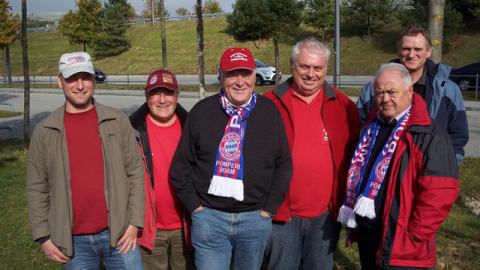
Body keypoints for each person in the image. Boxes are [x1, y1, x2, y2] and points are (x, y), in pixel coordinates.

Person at [170, 47, 292, 270]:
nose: (239, 82)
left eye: (245, 73)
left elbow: (283, 164)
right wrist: (196, 208)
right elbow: (180, 168)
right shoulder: (201, 112)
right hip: (210, 219)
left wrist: (268, 209)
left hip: (255, 219)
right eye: (232, 74)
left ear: (255, 76)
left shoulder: (269, 112)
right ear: (220, 75)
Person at [26, 52, 145, 269]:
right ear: (59, 82)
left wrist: (135, 222)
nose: (80, 85)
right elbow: (37, 188)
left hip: (119, 233)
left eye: (86, 77)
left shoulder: (116, 120)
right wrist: (43, 235)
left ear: (93, 80)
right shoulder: (45, 131)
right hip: (73, 242)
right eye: (72, 78)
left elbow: (136, 172)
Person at [338, 63, 460, 269]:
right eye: (379, 93)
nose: (385, 99)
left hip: (403, 242)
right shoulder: (371, 128)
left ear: (410, 91)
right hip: (369, 234)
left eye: (392, 92)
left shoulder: (428, 134)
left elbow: (439, 194)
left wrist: (415, 235)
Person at [262, 37, 361, 270]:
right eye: (304, 66)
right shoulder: (268, 104)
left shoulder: (343, 105)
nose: (311, 74)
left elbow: (357, 156)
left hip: (324, 215)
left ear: (326, 69)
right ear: (292, 66)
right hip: (281, 214)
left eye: (318, 68)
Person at [357, 26, 469, 164]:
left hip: (431, 170)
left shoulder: (448, 90)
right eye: (406, 49)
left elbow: (458, 135)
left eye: (418, 49)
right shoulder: (373, 89)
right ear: (398, 51)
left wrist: (448, 165)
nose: (411, 54)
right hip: (382, 172)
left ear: (428, 52)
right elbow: (360, 129)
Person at [130, 69, 193, 270]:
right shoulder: (131, 130)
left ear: (177, 95)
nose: (163, 100)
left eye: (168, 93)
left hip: (187, 227)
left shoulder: (192, 128)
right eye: (156, 93)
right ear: (147, 96)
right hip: (150, 228)